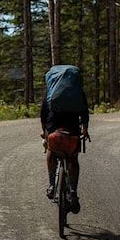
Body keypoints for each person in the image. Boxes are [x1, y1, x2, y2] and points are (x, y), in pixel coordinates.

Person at [40, 65, 90, 212]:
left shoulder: (51, 91)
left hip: (53, 125)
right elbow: (85, 113)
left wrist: (44, 132)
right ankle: (73, 191)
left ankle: (51, 185)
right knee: (73, 158)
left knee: (51, 149)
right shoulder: (77, 92)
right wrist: (84, 130)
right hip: (72, 126)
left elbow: (43, 114)